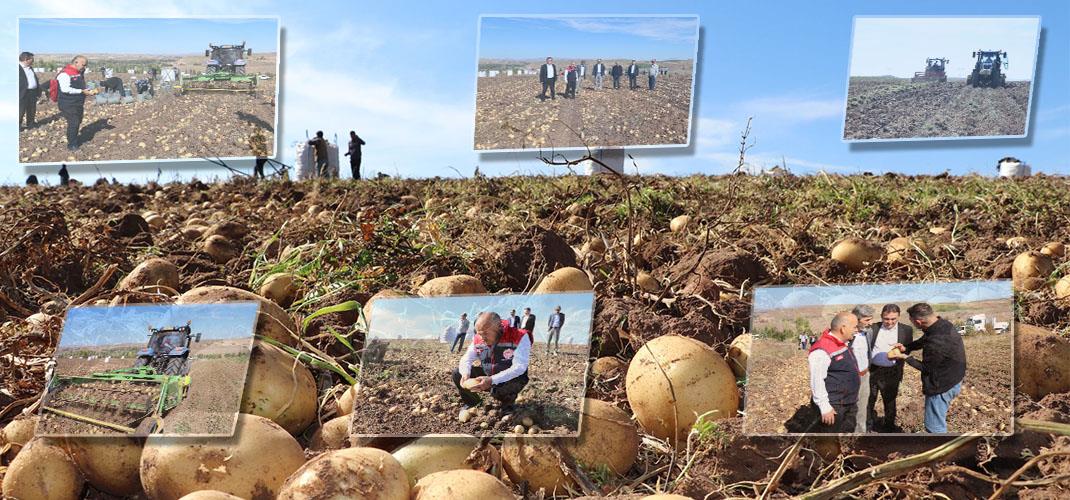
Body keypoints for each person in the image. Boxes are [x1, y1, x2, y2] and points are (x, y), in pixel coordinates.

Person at [889, 303, 967, 434]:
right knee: (938, 418)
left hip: (942, 385)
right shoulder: (941, 325)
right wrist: (907, 347)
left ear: (918, 322)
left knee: (934, 426)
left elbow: (927, 368)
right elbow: (925, 339)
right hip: (954, 377)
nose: (913, 324)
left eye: (913, 322)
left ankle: (940, 449)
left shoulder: (937, 342)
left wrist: (905, 357)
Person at [453, 312, 531, 415]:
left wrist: (492, 380)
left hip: (510, 378)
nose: (482, 337)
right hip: (489, 375)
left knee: (503, 386)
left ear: (499, 327)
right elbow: (466, 358)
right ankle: (473, 403)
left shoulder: (519, 336)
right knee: (457, 373)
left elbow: (519, 367)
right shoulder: (478, 338)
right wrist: (465, 374)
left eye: (485, 333)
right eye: (479, 333)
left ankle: (507, 405)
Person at [808, 312, 860, 433]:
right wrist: (825, 407)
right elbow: (817, 380)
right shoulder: (822, 349)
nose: (856, 330)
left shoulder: (843, 343)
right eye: (854, 327)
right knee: (828, 441)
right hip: (834, 405)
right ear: (843, 328)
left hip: (848, 402)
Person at [866, 304, 914, 432]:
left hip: (892, 371)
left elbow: (908, 349)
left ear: (898, 317)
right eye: (886, 319)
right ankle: (867, 426)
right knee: (869, 399)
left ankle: (888, 427)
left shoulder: (907, 330)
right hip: (873, 370)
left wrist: (902, 352)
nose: (890, 322)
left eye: (893, 319)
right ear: (882, 316)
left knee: (890, 401)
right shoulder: (873, 328)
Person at [56, 55, 94, 152]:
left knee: (78, 121)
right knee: (74, 122)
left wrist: (87, 90)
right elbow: (65, 89)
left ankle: (74, 138)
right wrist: (82, 91)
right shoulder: (65, 74)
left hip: (77, 103)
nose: (84, 67)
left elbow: (79, 85)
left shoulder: (78, 72)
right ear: (76, 62)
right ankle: (72, 145)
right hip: (67, 103)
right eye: (83, 65)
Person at [850, 305, 874, 433]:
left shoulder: (868, 332)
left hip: (864, 375)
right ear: (856, 320)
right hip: (850, 378)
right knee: (849, 407)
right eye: (867, 320)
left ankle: (860, 434)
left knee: (862, 406)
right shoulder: (846, 334)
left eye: (871, 319)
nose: (871, 323)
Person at [19, 52, 39, 130]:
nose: (33, 60)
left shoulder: (30, 68)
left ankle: (31, 123)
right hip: (22, 93)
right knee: (20, 110)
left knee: (32, 109)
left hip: (32, 92)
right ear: (26, 59)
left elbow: (34, 79)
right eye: (32, 59)